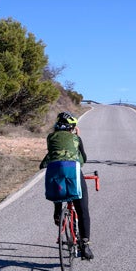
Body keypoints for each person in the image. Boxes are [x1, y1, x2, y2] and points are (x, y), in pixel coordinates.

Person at [39, 111, 93, 260]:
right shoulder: (76, 138)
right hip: (72, 171)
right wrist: (77, 136)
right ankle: (85, 244)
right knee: (82, 210)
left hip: (53, 171)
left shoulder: (50, 137)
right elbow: (83, 159)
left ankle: (58, 213)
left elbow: (54, 153)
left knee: (59, 188)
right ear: (72, 128)